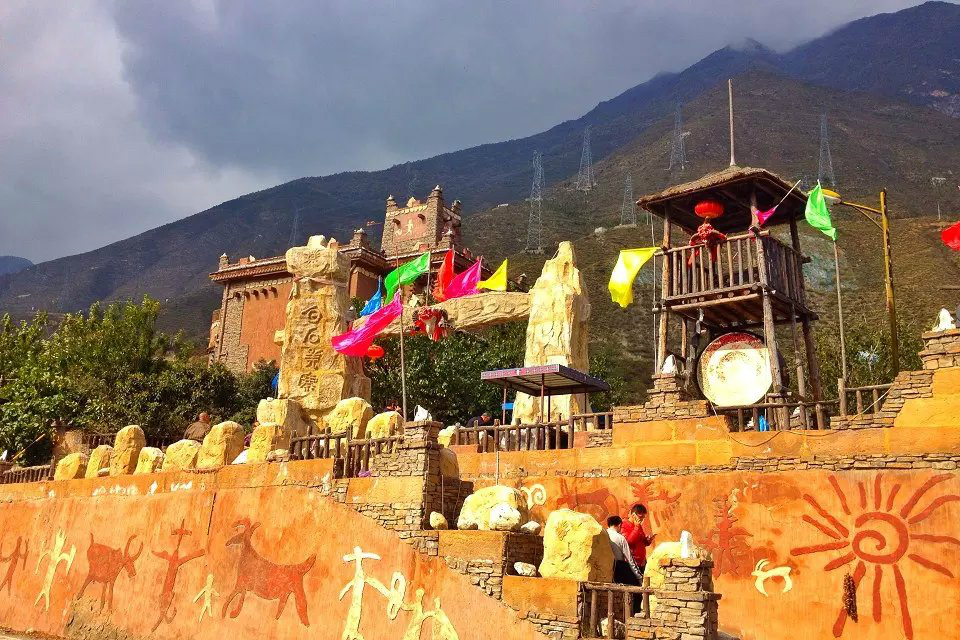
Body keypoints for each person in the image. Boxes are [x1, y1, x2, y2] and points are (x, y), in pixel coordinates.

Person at [606, 516, 642, 586]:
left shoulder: (604, 535)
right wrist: (639, 577)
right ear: (620, 525)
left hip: (605, 570)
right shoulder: (620, 538)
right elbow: (630, 560)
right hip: (617, 571)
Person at [621, 504, 656, 575]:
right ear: (633, 515)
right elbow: (629, 542)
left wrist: (648, 540)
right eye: (640, 517)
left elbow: (642, 542)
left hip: (641, 562)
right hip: (632, 563)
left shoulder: (638, 525)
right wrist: (637, 527)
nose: (642, 519)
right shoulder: (624, 525)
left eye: (643, 517)